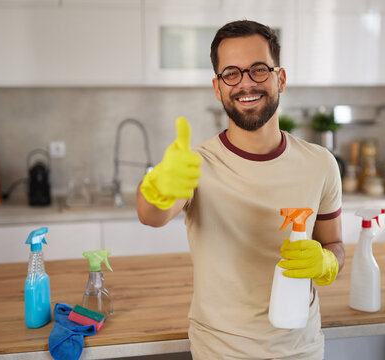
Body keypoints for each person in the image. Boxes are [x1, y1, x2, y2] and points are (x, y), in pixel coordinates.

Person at [137, 20, 344, 360]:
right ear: (217, 88)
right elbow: (150, 216)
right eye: (231, 73)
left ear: (280, 78)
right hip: (221, 351)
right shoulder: (195, 164)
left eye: (258, 70)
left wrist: (327, 262)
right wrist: (158, 187)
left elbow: (334, 243)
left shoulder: (320, 163)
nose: (245, 83)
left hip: (301, 348)